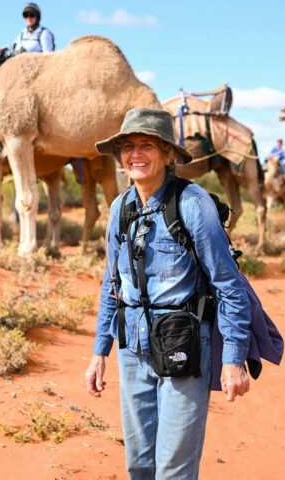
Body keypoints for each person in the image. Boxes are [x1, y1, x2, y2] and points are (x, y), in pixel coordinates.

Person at [85, 108, 251, 479]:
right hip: (132, 350)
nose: (136, 154)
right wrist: (99, 352)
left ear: (168, 154)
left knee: (174, 469)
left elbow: (229, 285)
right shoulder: (120, 208)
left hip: (183, 345)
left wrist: (234, 359)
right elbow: (112, 284)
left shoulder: (192, 204)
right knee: (139, 464)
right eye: (128, 146)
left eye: (147, 145)